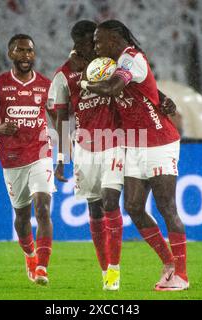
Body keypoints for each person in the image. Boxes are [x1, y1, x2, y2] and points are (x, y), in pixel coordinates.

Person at [80, 20, 189, 291]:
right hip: (135, 143)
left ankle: (182, 277)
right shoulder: (117, 63)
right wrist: (160, 95)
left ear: (114, 40)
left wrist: (85, 83)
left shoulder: (131, 59)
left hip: (160, 142)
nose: (95, 47)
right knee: (134, 207)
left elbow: (113, 88)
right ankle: (169, 263)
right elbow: (143, 87)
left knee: (167, 208)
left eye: (98, 41)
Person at [50, 20, 125, 291]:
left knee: (111, 201)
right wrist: (61, 157)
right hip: (84, 148)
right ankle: (105, 271)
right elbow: (61, 119)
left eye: (96, 42)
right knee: (94, 208)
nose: (95, 47)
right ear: (77, 44)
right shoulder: (63, 76)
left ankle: (114, 273)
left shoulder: (109, 65)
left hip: (114, 142)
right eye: (90, 43)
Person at [0, 34, 55, 286]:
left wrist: (64, 152)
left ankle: (42, 267)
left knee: (43, 208)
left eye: (29, 51)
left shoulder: (45, 85)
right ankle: (30, 255)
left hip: (41, 153)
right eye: (20, 51)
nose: (25, 55)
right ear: (11, 54)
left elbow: (59, 117)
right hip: (12, 159)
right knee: (21, 216)